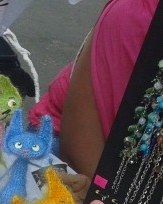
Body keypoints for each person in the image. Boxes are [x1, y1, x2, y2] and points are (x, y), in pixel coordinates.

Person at [28, 0, 159, 185]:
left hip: (139, 167)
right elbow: (77, 145)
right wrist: (105, 197)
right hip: (77, 153)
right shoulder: (137, 15)